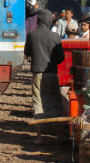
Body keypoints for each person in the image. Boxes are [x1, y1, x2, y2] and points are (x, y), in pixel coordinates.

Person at [24, 9, 65, 142]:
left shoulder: (32, 35)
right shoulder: (55, 37)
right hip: (52, 73)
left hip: (37, 73)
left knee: (38, 102)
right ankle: (59, 135)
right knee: (55, 102)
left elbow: (27, 52)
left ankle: (39, 137)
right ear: (49, 21)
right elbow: (61, 58)